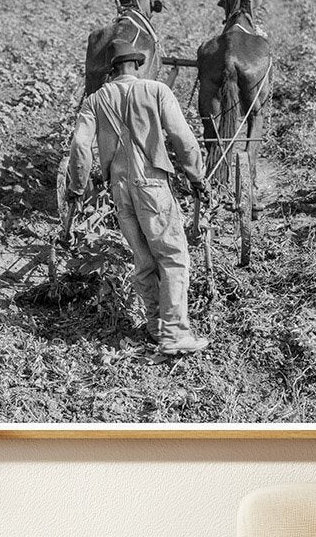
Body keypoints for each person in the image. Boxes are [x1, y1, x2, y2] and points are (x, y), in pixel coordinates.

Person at [66, 39, 210, 355]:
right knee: (172, 255)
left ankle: (156, 325)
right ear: (136, 65)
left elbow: (80, 147)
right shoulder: (157, 91)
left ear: (111, 70)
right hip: (152, 185)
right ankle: (174, 336)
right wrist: (196, 175)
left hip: (119, 189)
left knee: (144, 259)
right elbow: (182, 138)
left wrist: (76, 187)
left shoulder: (95, 100)